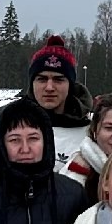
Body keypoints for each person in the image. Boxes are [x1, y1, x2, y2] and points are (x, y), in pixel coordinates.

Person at [23, 37, 94, 167]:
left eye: (58, 80)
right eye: (42, 79)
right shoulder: (11, 127)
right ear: (32, 84)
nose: (49, 87)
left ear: (70, 85)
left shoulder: (91, 135)